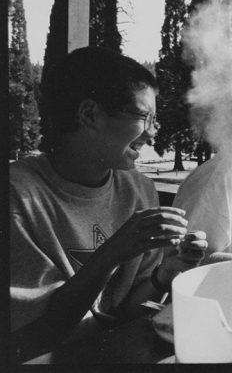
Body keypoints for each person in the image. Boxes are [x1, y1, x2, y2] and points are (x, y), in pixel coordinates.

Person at [10, 47, 208, 363]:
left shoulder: (139, 190)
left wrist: (164, 275)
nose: (153, 134)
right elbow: (34, 338)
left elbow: (121, 310)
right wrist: (113, 253)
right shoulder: (18, 197)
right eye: (145, 118)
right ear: (90, 114)